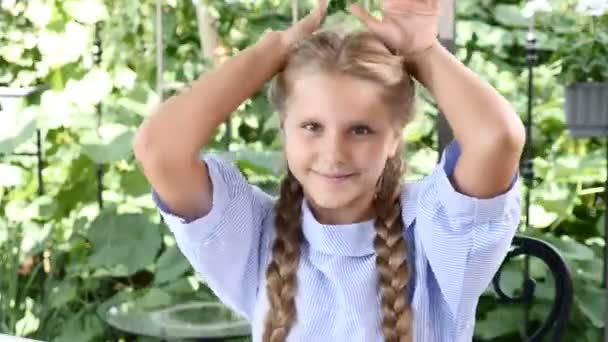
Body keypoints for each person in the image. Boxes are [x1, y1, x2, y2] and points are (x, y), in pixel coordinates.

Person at [133, 0, 525, 341]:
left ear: (394, 138)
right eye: (312, 127)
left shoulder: (434, 231)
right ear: (284, 128)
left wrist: (423, 51)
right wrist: (274, 50)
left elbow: (496, 139)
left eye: (360, 130)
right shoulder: (253, 236)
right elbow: (160, 149)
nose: (333, 153)